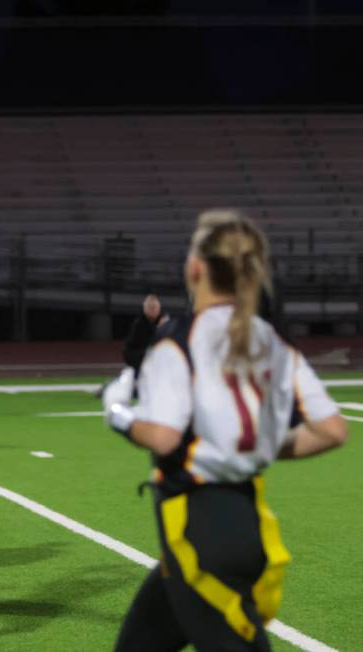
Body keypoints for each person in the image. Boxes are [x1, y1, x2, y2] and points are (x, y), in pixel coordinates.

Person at [102, 209, 347, 651]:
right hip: (244, 522)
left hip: (199, 532)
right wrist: (260, 447)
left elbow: (163, 437)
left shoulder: (177, 338)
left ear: (196, 269)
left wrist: (116, 410)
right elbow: (331, 430)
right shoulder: (271, 340)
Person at [122, 293, 168, 376]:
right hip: (138, 357)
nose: (153, 310)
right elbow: (146, 343)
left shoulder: (165, 320)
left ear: (159, 308)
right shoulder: (139, 324)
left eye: (155, 308)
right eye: (150, 308)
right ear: (145, 309)